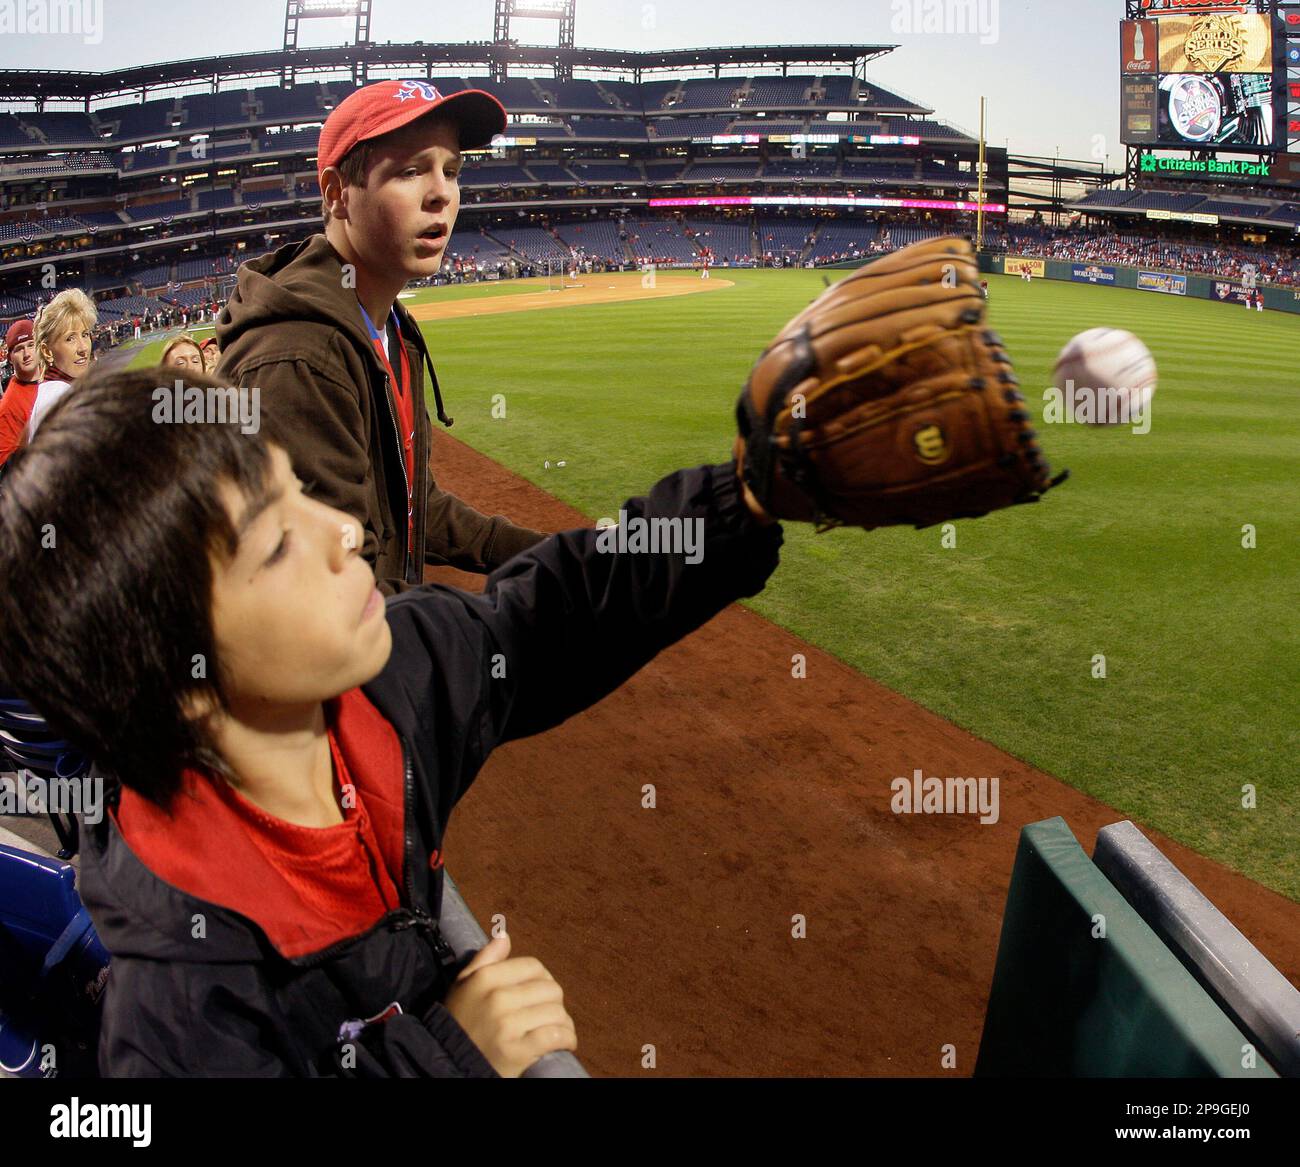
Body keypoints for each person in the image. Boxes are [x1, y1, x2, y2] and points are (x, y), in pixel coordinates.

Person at [0, 365, 783, 1077]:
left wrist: (745, 499)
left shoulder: (393, 677)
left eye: (303, 487)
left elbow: (561, 611)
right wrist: (445, 1054)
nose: (343, 531)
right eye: (277, 544)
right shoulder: (176, 1014)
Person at [217, 79, 547, 595]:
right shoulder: (298, 358)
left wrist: (547, 555)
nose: (441, 193)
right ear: (337, 194)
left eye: (452, 170)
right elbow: (343, 595)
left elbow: (415, 509)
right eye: (411, 171)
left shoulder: (386, 325)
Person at [16, 288, 96, 452]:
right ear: (46, 351)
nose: (83, 348)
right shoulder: (59, 397)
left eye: (85, 334)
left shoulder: (53, 391)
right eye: (70, 338)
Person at [0, 319, 40, 467]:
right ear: (10, 357)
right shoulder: (9, 406)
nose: (27, 354)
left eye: (31, 345)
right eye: (19, 349)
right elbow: (5, 466)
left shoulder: (51, 379)